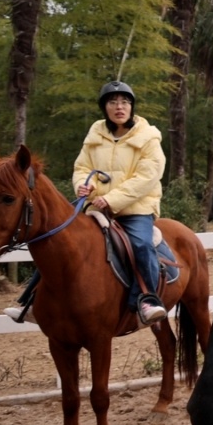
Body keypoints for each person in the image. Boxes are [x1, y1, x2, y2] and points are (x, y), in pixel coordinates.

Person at [75, 81, 168, 324]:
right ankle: (31, 299)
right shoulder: (95, 134)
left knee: (140, 244)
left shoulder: (148, 138)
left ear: (132, 106)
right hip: (97, 206)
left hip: (136, 209)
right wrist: (83, 185)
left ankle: (148, 298)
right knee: (63, 239)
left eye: (125, 102)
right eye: (113, 102)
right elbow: (82, 166)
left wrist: (111, 199)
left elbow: (147, 177)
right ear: (104, 107)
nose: (119, 107)